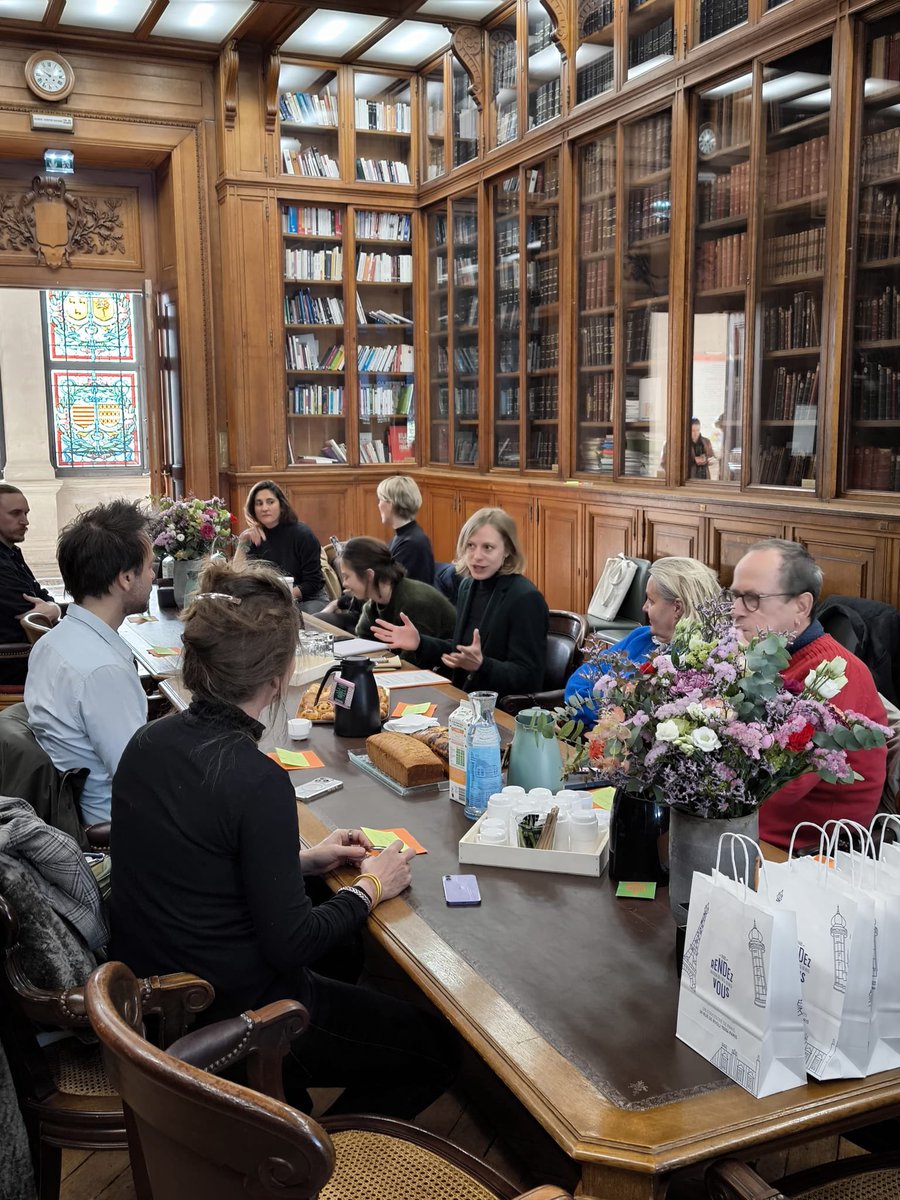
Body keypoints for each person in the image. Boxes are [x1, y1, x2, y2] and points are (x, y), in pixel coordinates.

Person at [110, 558, 459, 1118]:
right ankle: (303, 1154)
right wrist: (369, 887)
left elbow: (199, 857)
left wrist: (302, 860)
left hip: (155, 983)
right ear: (278, 678)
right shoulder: (255, 780)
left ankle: (284, 1107)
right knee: (438, 1048)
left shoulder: (149, 742)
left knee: (341, 942)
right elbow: (290, 943)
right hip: (236, 1011)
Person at [730, 538, 888, 848]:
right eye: (734, 596)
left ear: (801, 606)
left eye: (751, 598)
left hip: (797, 852)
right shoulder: (761, 656)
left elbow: (781, 787)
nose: (735, 611)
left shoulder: (836, 674)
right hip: (743, 828)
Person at [24, 500, 153, 827]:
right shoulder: (101, 669)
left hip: (73, 811)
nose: (153, 576)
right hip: (118, 827)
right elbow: (140, 777)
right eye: (150, 566)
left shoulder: (54, 641)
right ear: (125, 578)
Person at [372, 507, 548, 696]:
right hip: (462, 699)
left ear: (507, 550)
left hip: (499, 709)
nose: (476, 556)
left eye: (487, 547)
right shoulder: (468, 586)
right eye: (471, 546)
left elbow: (529, 678)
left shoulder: (525, 598)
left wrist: (482, 665)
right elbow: (459, 651)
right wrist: (419, 642)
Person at [564, 557, 721, 727]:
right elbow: (575, 685)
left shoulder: (694, 664)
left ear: (677, 607)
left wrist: (600, 705)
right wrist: (613, 709)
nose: (644, 607)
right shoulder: (641, 636)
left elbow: (639, 722)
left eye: (651, 601)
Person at [339, 537, 455, 664]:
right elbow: (363, 648)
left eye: (346, 576)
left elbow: (411, 663)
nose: (344, 583)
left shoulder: (415, 602)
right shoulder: (372, 606)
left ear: (369, 575)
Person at [0, 484, 61, 683]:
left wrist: (53, 609)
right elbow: (32, 611)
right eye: (15, 514)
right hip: (15, 661)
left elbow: (43, 598)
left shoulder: (11, 553)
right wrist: (51, 609)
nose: (25, 521)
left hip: (33, 652)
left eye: (26, 513)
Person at [239, 480, 327, 613]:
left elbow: (313, 583)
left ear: (281, 505)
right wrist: (242, 542)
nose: (264, 508)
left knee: (300, 617)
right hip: (269, 601)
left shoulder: (302, 534)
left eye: (270, 502)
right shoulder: (253, 536)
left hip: (308, 600)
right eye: (259, 503)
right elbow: (238, 577)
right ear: (253, 509)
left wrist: (280, 597)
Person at [376, 475, 435, 585]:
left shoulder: (411, 544)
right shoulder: (404, 536)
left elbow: (390, 587)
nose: (379, 505)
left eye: (380, 500)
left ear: (391, 503)